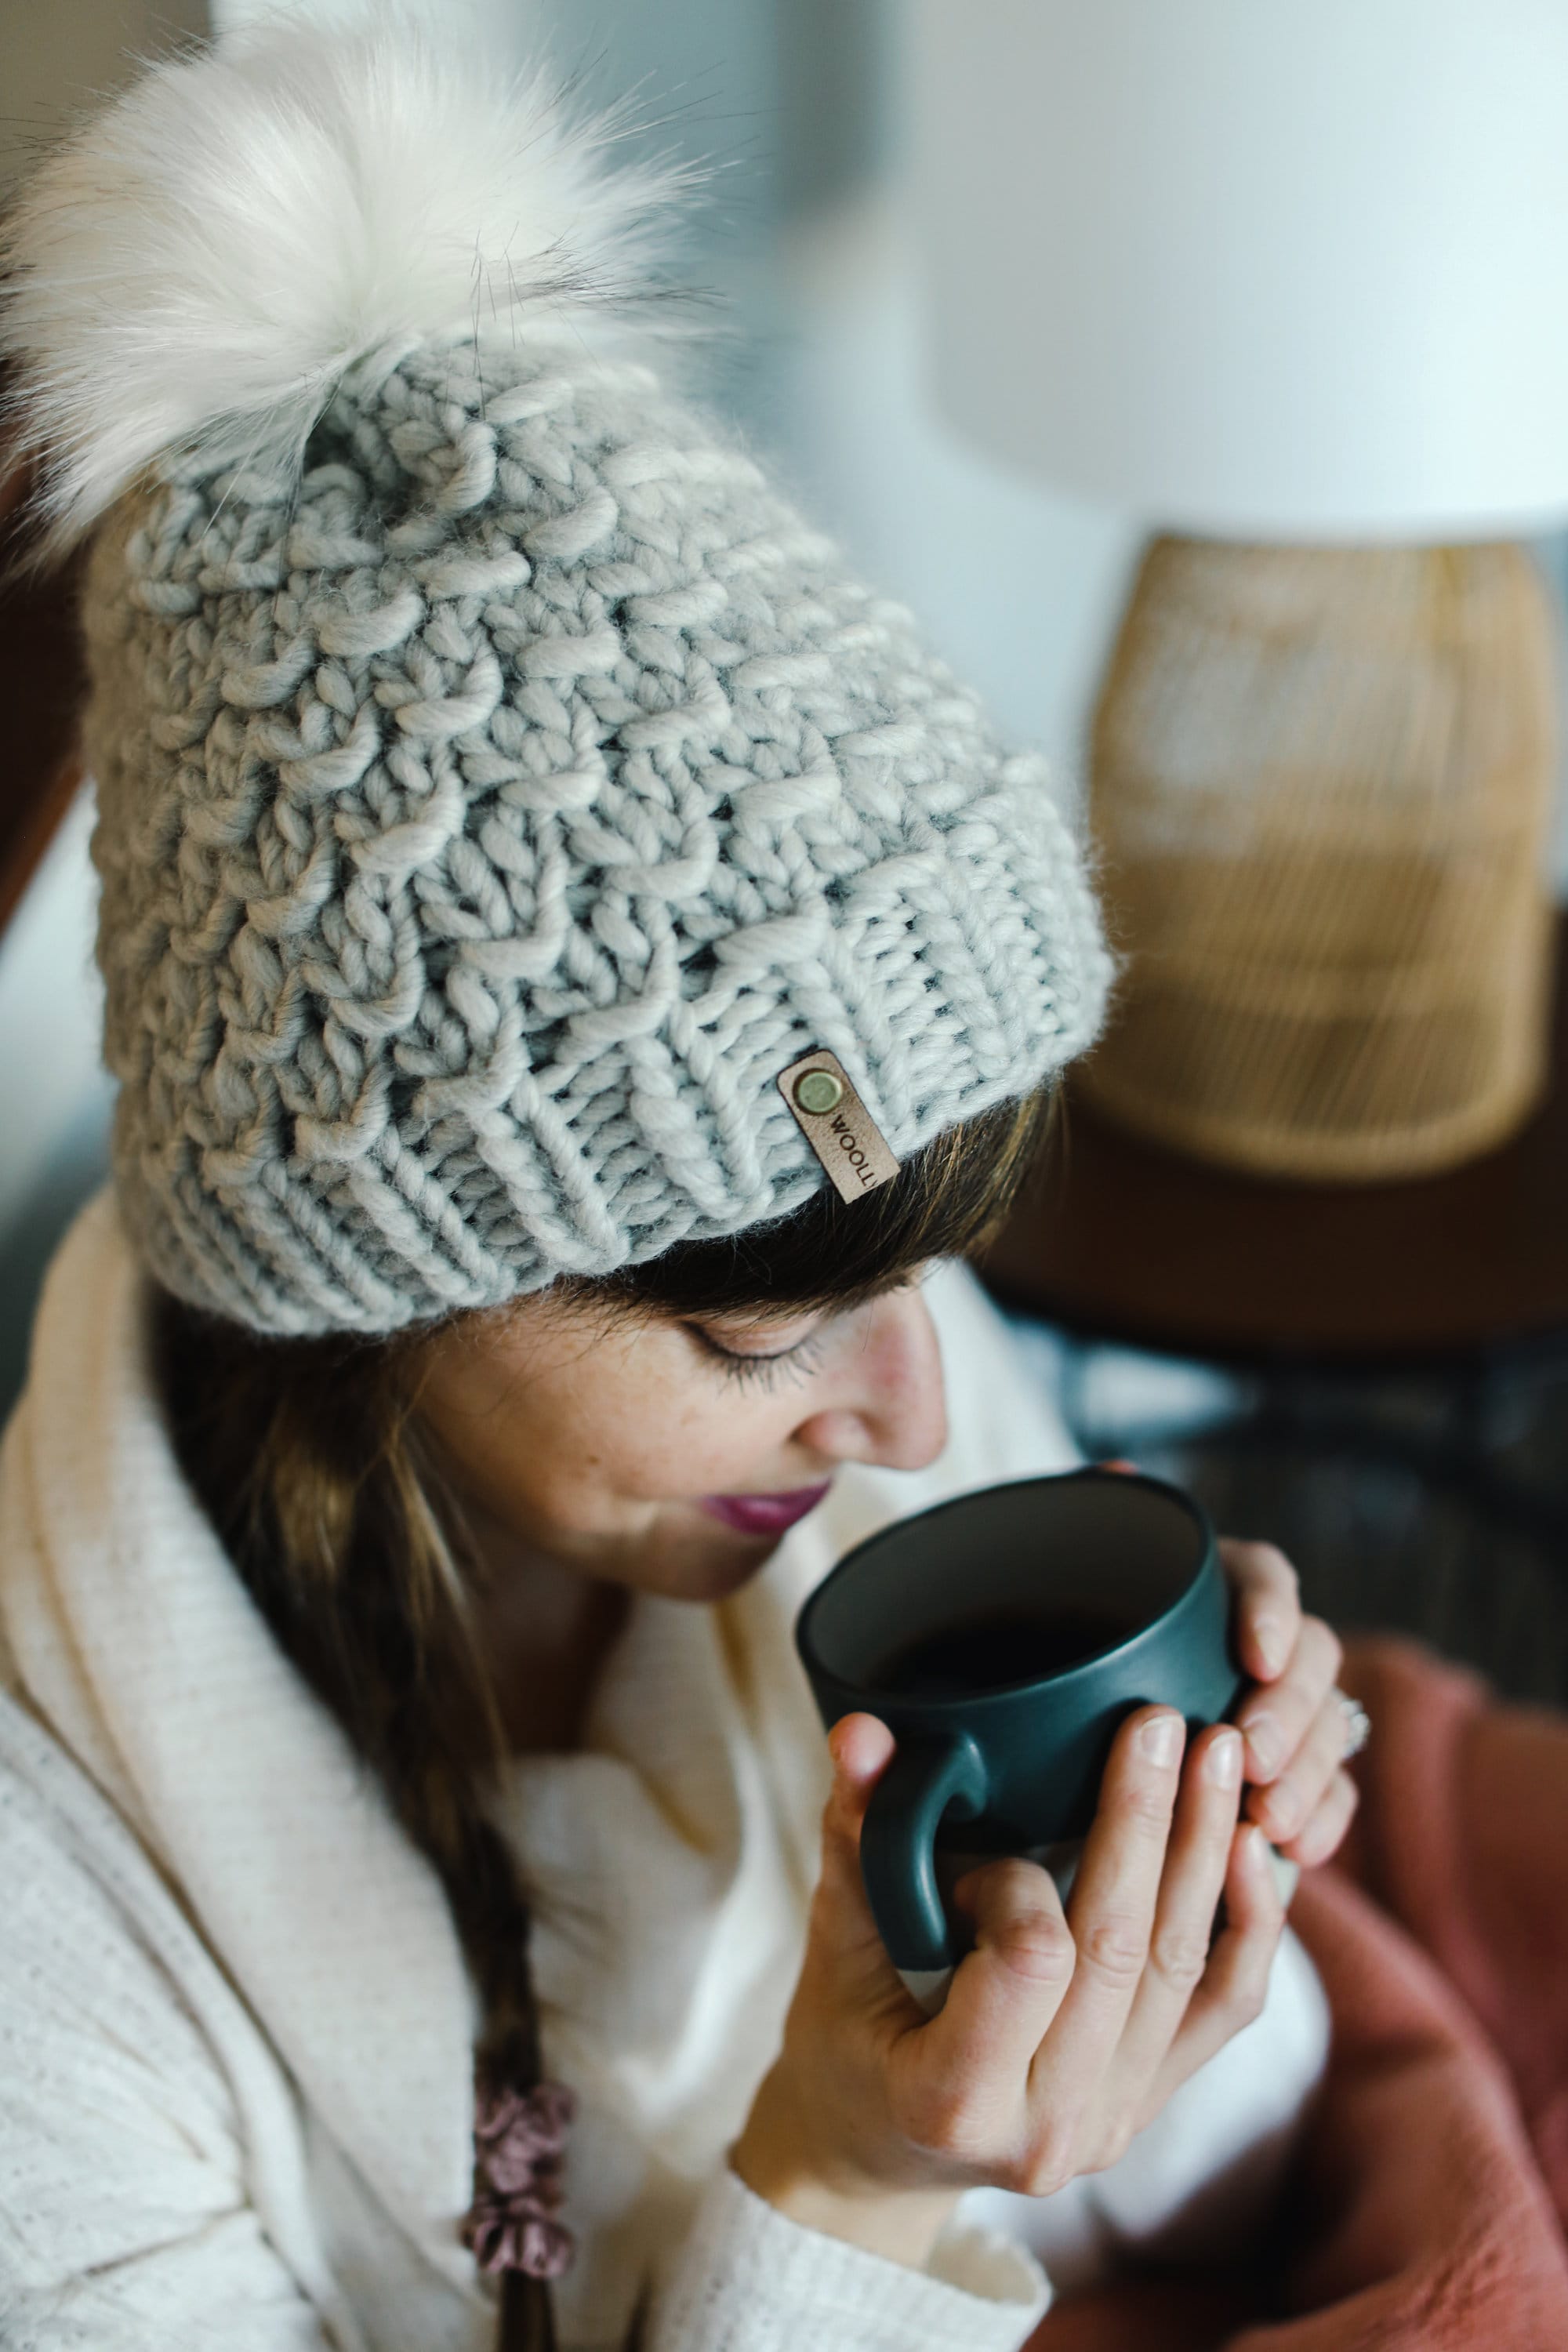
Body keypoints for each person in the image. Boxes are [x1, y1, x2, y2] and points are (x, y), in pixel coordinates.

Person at [0, 21, 1358, 2352]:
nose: (920, 1415)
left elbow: (1240, 2204)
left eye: (935, 1268)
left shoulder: (858, 1429)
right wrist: (848, 2184)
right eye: (760, 1333)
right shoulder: (54, 1945)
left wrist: (1191, 1900)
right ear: (379, 1272)